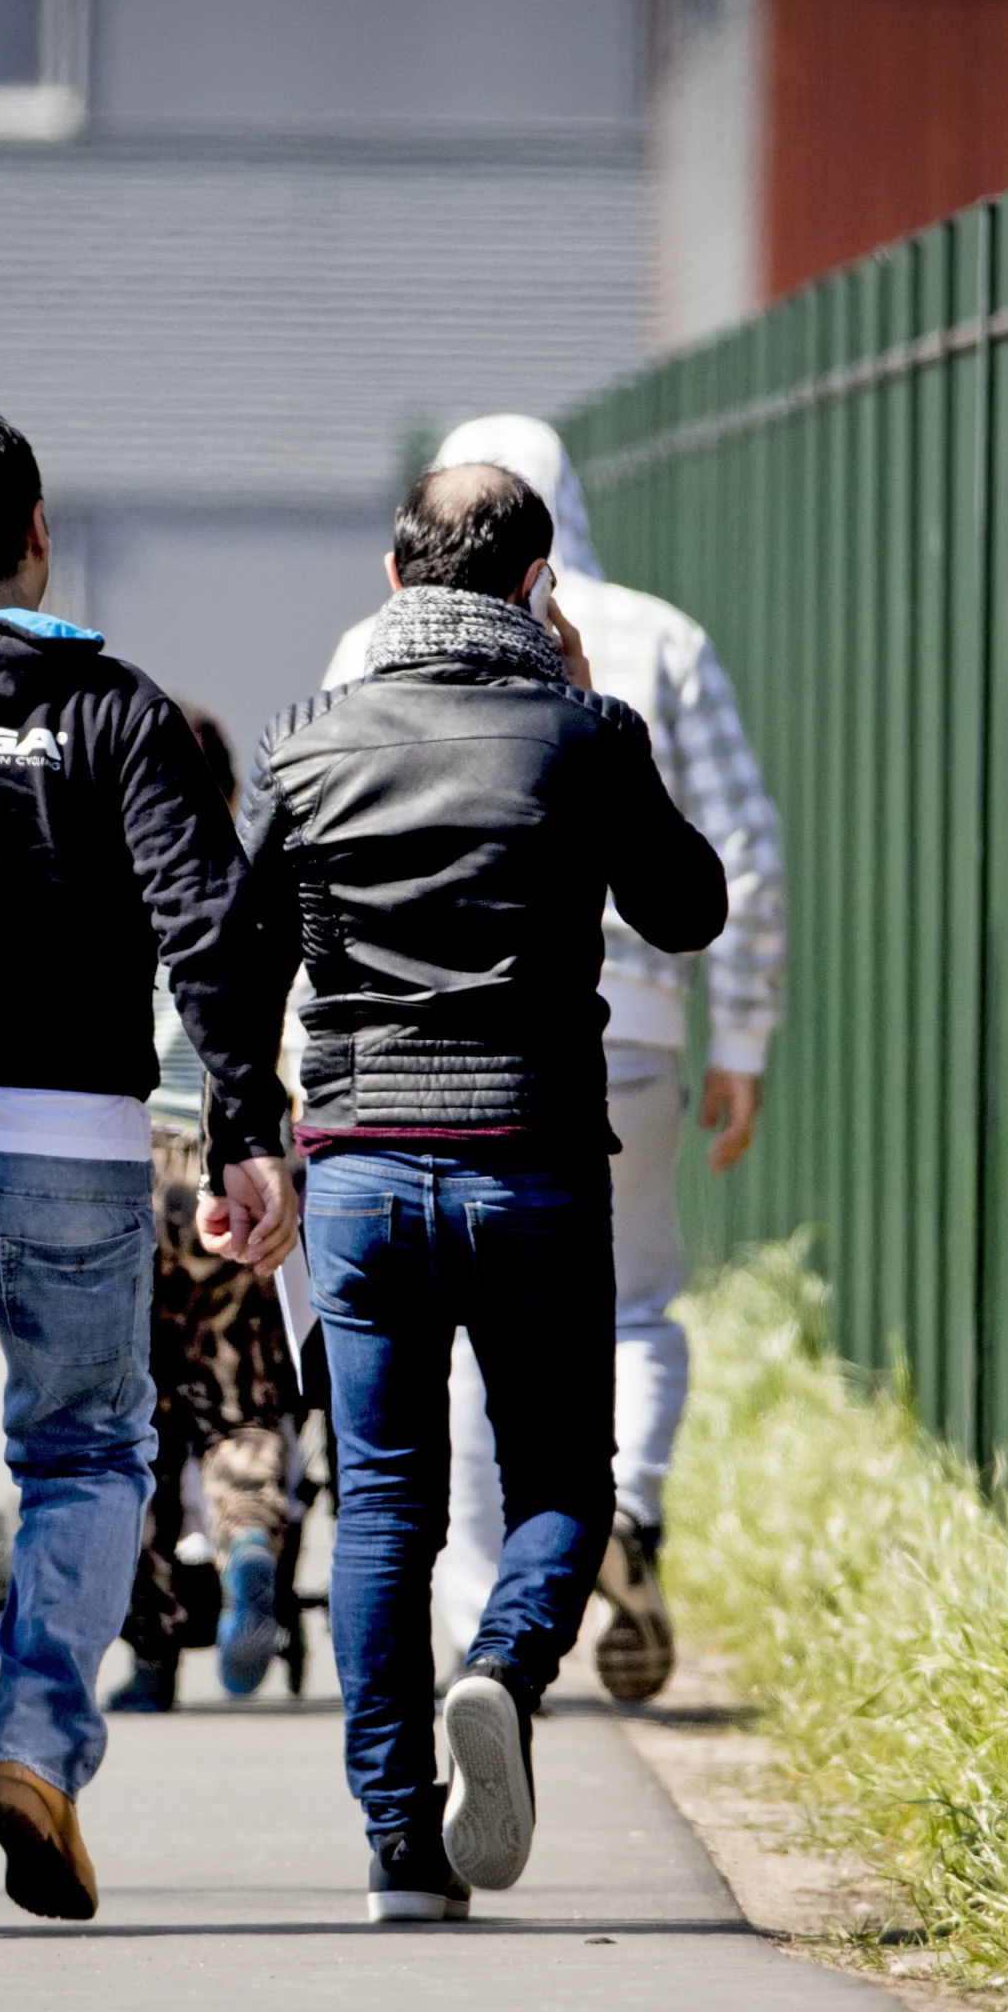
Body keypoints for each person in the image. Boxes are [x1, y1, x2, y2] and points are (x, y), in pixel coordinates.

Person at [0, 412, 292, 1935]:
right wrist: (244, 1124)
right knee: (88, 1458)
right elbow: (210, 922)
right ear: (39, 531)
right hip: (80, 1156)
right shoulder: (117, 710)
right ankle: (31, 1752)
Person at [234, 461, 726, 1921]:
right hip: (535, 1163)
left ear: (394, 583)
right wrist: (590, 704)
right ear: (536, 586)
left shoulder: (310, 747)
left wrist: (239, 1142)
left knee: (382, 1509)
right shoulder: (582, 735)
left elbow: (240, 962)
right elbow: (685, 908)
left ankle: (400, 1853)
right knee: (564, 1485)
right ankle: (504, 1671)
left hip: (361, 1173)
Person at [323, 414, 782, 1703]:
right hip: (604, 1046)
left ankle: (481, 1626)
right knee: (634, 1309)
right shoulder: (660, 640)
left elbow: (309, 870)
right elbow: (735, 856)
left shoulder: (367, 651)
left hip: (383, 1075)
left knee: (417, 1431)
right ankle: (621, 1514)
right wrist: (740, 1031)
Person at [109, 703, 310, 1715]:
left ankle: (149, 1657)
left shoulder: (113, 878)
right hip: (228, 1156)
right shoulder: (254, 888)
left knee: (131, 1416)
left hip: (125, 1164)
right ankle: (244, 1552)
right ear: (234, 794)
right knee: (242, 1400)